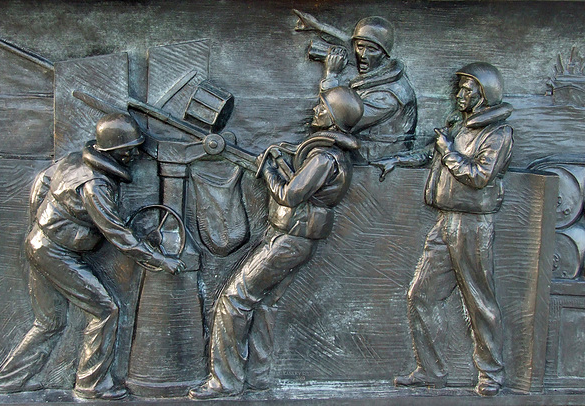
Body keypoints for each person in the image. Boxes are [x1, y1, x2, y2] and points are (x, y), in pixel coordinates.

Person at [0, 113, 184, 400]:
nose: (133, 154)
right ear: (109, 150)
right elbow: (118, 235)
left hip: (38, 243)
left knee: (49, 323)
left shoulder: (72, 160)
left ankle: (8, 381)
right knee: (106, 310)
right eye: (127, 149)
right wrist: (161, 260)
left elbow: (40, 185)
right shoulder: (96, 185)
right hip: (55, 254)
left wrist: (45, 223)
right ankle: (92, 384)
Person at [188, 86, 364, 399]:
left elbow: (290, 194)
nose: (315, 110)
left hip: (289, 239)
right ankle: (259, 377)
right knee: (266, 303)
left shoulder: (325, 157)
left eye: (322, 107)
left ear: (335, 118)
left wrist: (268, 169)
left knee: (234, 299)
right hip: (294, 238)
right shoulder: (329, 153)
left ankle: (225, 382)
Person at [385, 62, 513, 397]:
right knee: (420, 294)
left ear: (485, 95)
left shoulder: (498, 134)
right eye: (459, 88)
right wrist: (396, 160)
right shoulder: (462, 127)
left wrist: (449, 150)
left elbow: (479, 176)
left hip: (472, 225)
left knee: (479, 301)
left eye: (467, 90)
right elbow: (435, 158)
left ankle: (492, 373)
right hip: (446, 223)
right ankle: (431, 371)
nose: (459, 95)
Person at [295, 11, 417, 160]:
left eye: (372, 50)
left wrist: (331, 75)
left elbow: (339, 119)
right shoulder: (382, 71)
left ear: (385, 54)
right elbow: (349, 42)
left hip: (374, 158)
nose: (363, 55)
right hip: (364, 150)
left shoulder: (390, 94)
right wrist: (318, 27)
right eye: (360, 47)